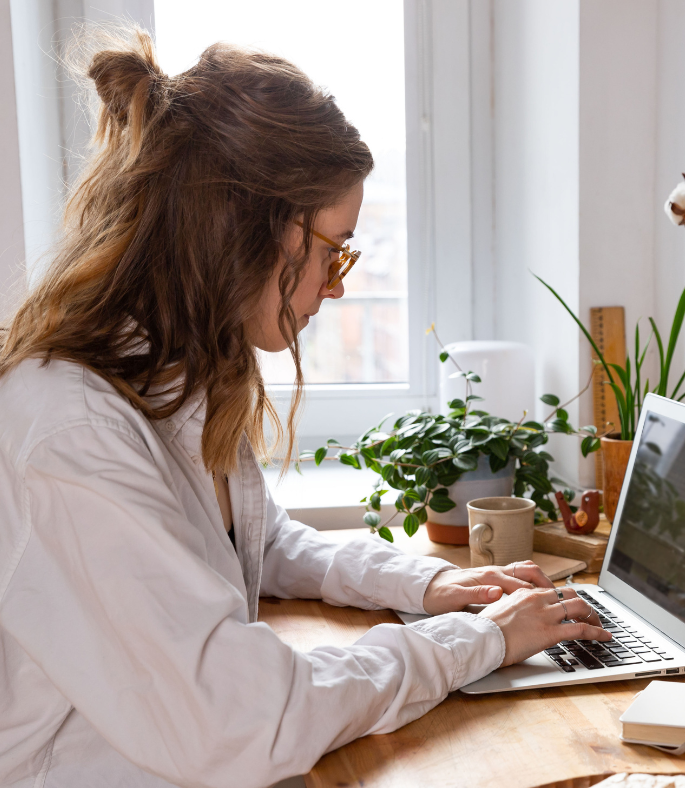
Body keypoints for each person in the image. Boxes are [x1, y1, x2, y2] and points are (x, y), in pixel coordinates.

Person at [0, 28, 609, 788]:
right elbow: (247, 719)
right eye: (334, 249)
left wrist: (425, 586)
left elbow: (256, 543)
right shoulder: (73, 432)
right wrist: (475, 641)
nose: (339, 284)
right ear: (245, 229)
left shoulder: (181, 373)